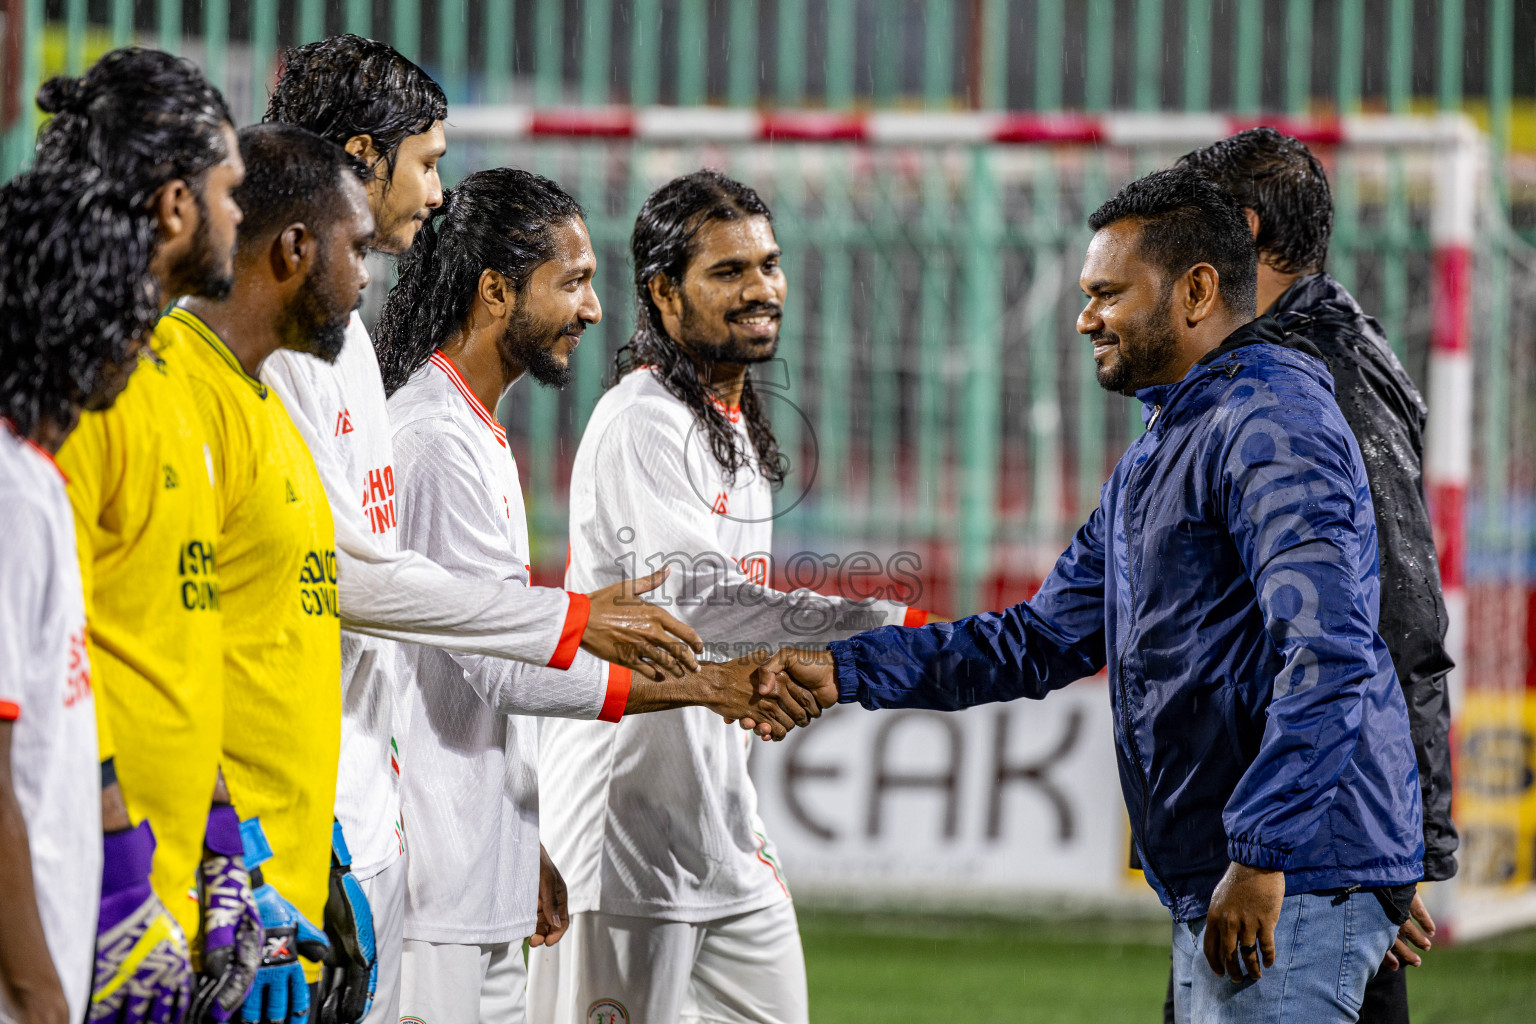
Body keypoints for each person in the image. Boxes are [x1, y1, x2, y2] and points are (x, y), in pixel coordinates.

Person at [756, 168, 1425, 1024]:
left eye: (1108, 292)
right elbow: (1037, 640)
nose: (1085, 318)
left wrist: (1266, 849)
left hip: (1286, 878)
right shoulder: (1168, 443)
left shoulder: (1271, 419)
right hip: (1248, 874)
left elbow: (1327, 648)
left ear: (1196, 291)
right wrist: (846, 670)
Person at [259, 37, 706, 1024]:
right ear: (365, 154)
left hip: (386, 833)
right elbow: (351, 584)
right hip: (339, 832)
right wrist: (626, 647)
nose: (435, 191)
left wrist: (519, 837)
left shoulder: (361, 363)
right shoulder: (331, 379)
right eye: (429, 161)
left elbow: (402, 610)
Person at [373, 167, 812, 1024]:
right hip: (503, 866)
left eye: (768, 263)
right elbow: (511, 664)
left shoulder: (475, 430)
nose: (591, 307)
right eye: (572, 282)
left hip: (551, 853)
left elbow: (482, 664)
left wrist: (520, 841)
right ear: (497, 290)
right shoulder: (442, 436)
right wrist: (719, 678)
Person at [529, 169, 933, 1024]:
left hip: (718, 826)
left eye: (768, 265)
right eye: (728, 272)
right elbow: (703, 604)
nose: (760, 289)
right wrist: (884, 627)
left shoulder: (733, 423)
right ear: (663, 294)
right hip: (624, 832)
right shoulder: (644, 420)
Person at [1177, 127, 1455, 1024]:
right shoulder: (1269, 359)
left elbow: (1398, 613)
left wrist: (1405, 848)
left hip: (1316, 849)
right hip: (1287, 837)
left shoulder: (1320, 375)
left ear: (1245, 231)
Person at [36, 47, 264, 1023]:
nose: (243, 219)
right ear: (175, 208)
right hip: (78, 910)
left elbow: (177, 628)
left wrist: (219, 846)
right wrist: (122, 880)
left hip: (162, 918)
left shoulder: (168, 371)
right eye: (229, 193)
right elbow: (46, 654)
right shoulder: (68, 395)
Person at [170, 122, 378, 1024]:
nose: (367, 277)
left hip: (279, 906)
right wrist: (234, 869)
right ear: (297, 249)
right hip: (201, 919)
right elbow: (154, 659)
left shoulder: (269, 406)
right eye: (357, 248)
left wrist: (316, 845)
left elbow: (270, 645)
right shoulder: (176, 393)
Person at [0, 165, 159, 1024]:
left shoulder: (38, 482)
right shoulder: (12, 496)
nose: (145, 328)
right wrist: (40, 998)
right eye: (128, 299)